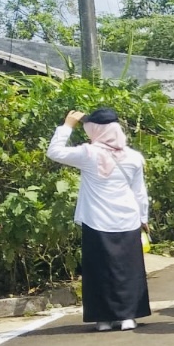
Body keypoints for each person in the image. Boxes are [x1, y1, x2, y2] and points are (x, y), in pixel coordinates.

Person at [46, 107, 151, 332]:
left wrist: (67, 126)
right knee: (128, 270)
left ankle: (103, 319)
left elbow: (54, 152)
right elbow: (139, 191)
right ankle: (128, 317)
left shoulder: (88, 154)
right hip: (127, 220)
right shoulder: (133, 157)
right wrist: (144, 217)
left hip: (97, 221)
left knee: (99, 270)